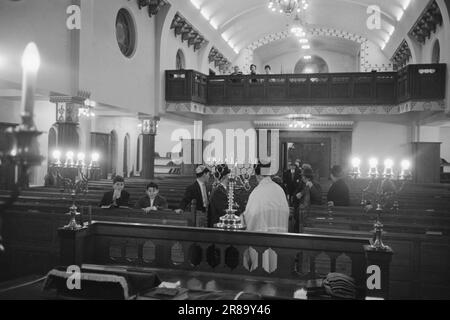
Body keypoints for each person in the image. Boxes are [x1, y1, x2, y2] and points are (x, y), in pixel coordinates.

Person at [242, 161, 290, 233]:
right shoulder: (280, 190)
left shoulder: (257, 192)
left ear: (257, 175)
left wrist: (240, 219)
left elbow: (250, 218)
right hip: (281, 240)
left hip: (263, 240)